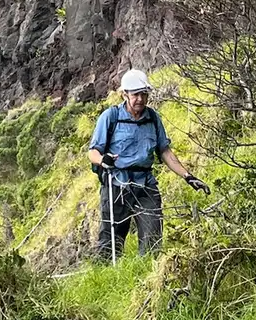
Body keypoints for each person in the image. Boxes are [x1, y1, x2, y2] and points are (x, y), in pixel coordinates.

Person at [88, 69, 208, 261]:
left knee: (152, 237)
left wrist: (188, 176)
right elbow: (93, 152)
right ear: (124, 94)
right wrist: (104, 160)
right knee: (110, 243)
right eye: (136, 94)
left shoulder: (152, 118)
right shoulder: (110, 117)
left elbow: (165, 152)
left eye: (144, 94)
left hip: (146, 185)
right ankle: (105, 279)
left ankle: (149, 280)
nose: (141, 99)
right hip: (116, 185)